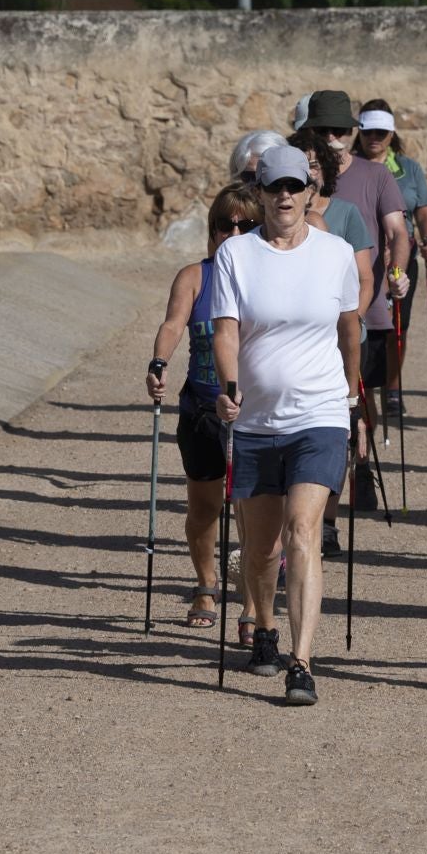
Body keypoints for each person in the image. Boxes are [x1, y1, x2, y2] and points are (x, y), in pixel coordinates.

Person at [212, 146, 361, 707]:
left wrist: (352, 392)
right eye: (275, 187)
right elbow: (227, 331)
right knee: (260, 548)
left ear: (309, 191)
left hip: (320, 415)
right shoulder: (237, 254)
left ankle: (301, 661)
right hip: (254, 421)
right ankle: (265, 631)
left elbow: (349, 327)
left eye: (295, 186)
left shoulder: (336, 253)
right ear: (261, 192)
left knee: (302, 533)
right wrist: (229, 388)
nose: (285, 197)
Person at [147, 185, 263, 632]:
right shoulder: (196, 276)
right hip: (201, 407)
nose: (235, 232)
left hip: (251, 410)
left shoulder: (264, 276)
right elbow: (174, 323)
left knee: (252, 511)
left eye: (246, 224)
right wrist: (159, 364)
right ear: (212, 230)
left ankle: (253, 603)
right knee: (204, 507)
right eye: (225, 224)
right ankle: (205, 584)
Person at [304, 90, 410, 509]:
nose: (333, 137)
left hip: (367, 309)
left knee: (360, 397)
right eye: (323, 130)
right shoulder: (293, 176)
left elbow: (397, 232)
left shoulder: (376, 175)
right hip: (312, 318)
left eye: (340, 130)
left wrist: (397, 274)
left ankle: (360, 464)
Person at [290, 129, 374, 544]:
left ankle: (326, 521)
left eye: (314, 164)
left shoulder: (341, 216)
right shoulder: (274, 215)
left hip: (339, 334)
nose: (307, 172)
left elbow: (362, 278)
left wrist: (347, 321)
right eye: (299, 164)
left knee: (334, 427)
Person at [357, 101, 427, 419]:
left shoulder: (409, 168)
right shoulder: (350, 167)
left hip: (401, 258)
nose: (374, 137)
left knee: (397, 325)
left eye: (381, 132)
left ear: (391, 134)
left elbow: (425, 211)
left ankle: (392, 386)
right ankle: (362, 383)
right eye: (368, 131)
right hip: (363, 258)